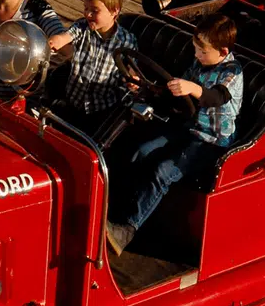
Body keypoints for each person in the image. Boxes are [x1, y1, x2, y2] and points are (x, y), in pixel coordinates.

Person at [105, 13, 244, 255]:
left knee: (163, 171)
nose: (197, 55)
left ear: (222, 52)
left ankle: (127, 230)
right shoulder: (198, 65)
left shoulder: (232, 72)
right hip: (187, 128)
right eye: (195, 49)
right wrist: (146, 86)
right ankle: (117, 210)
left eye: (202, 51)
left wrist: (193, 88)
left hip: (211, 143)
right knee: (141, 152)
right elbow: (172, 93)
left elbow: (216, 97)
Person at [48, 0, 138, 136]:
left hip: (101, 109)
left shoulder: (127, 41)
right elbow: (68, 35)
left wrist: (132, 79)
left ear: (114, 11)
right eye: (86, 8)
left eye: (95, 11)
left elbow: (131, 69)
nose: (88, 14)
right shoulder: (82, 27)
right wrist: (57, 40)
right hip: (73, 101)